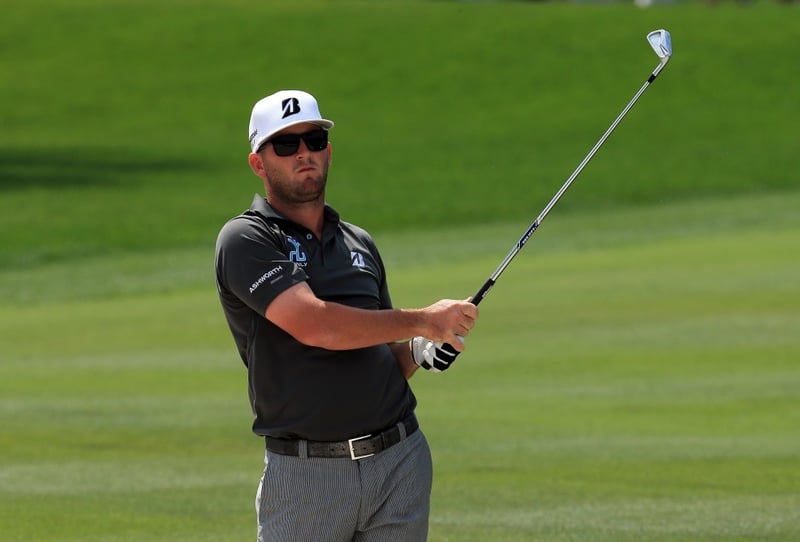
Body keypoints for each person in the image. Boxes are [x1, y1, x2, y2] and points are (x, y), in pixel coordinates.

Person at [214, 89, 479, 541]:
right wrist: (422, 321)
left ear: (328, 151)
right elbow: (316, 325)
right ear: (259, 163)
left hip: (400, 461)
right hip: (306, 476)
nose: (304, 153)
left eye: (314, 141)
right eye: (285, 144)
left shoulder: (358, 242)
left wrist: (417, 351)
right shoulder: (245, 239)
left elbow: (377, 356)